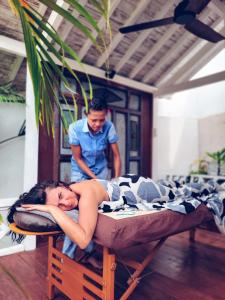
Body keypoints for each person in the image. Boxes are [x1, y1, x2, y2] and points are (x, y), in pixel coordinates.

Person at [8, 175, 172, 250]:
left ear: (62, 185)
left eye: (61, 196)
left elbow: (83, 240)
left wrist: (52, 209)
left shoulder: (86, 195)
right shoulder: (72, 191)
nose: (67, 203)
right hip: (122, 182)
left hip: (138, 188)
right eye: (59, 206)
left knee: (177, 193)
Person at [69, 98, 121, 182]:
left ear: (106, 115)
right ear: (86, 114)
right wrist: (96, 179)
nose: (98, 124)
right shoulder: (74, 128)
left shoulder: (109, 126)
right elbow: (78, 158)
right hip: (80, 172)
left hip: (101, 170)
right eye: (94, 120)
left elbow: (116, 156)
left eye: (102, 120)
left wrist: (117, 179)